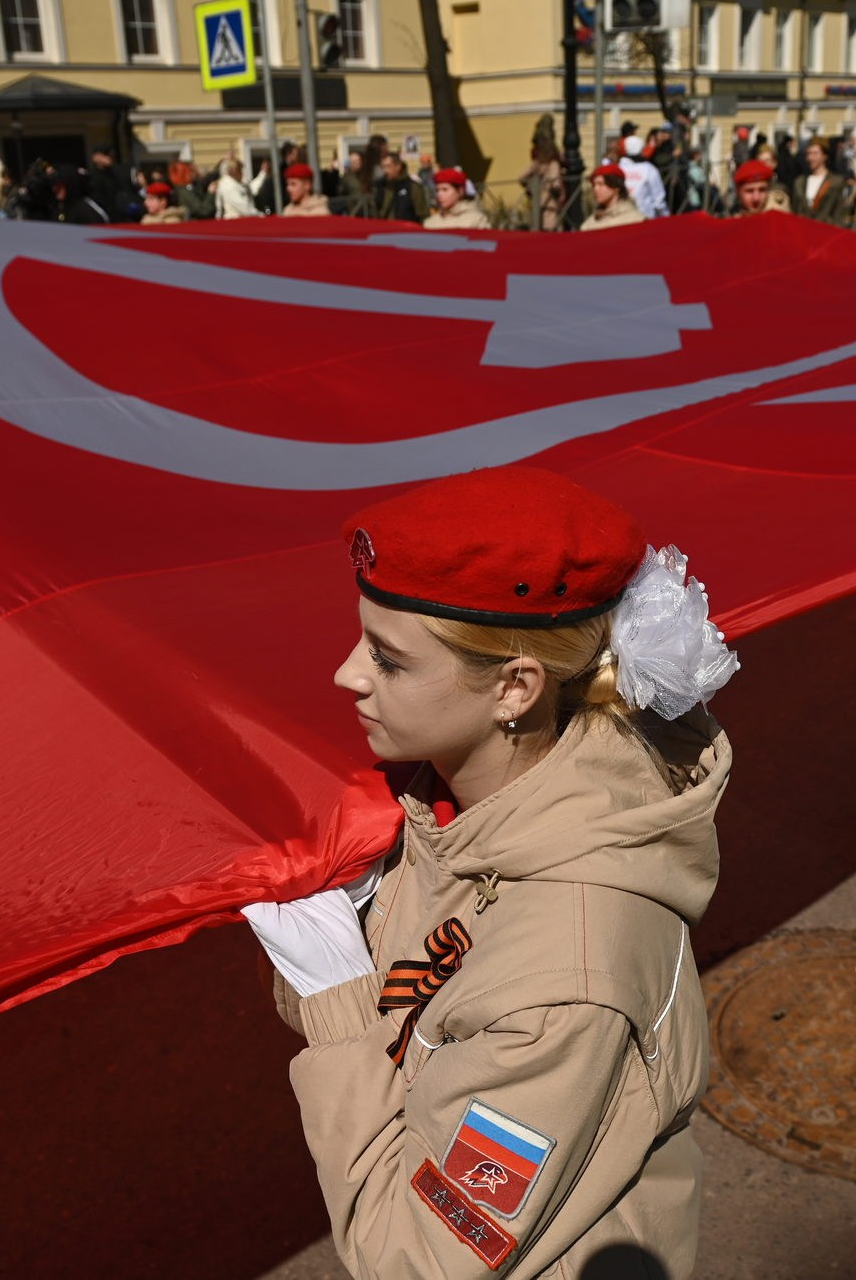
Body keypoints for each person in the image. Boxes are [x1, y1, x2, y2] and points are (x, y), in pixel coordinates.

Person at [242, 466, 736, 1277]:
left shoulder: (567, 979)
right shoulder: (444, 796)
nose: (348, 674)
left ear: (514, 687)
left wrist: (340, 1010)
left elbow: (415, 1259)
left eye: (389, 660)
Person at [792, 137, 850, 225]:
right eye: (808, 153)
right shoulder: (799, 182)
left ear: (824, 156)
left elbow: (839, 213)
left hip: (826, 230)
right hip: (802, 229)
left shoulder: (836, 182)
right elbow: (794, 211)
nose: (810, 158)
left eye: (815, 154)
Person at [579, 161, 645, 231]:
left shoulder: (637, 220)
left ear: (616, 187)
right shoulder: (588, 225)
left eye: (600, 184)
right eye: (594, 185)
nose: (595, 189)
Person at [422, 167, 491, 230]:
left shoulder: (477, 221)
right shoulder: (430, 223)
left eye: (445, 189)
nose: (439, 194)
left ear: (460, 191)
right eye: (437, 190)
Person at [620, 135, 668, 219]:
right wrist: (665, 216)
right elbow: (658, 199)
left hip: (622, 218)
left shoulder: (619, 168)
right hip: (645, 217)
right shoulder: (648, 169)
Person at [375, 152, 431, 223]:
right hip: (384, 228)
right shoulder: (381, 186)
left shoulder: (412, 187)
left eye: (388, 166)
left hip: (406, 228)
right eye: (383, 167)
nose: (385, 171)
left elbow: (423, 214)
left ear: (398, 166)